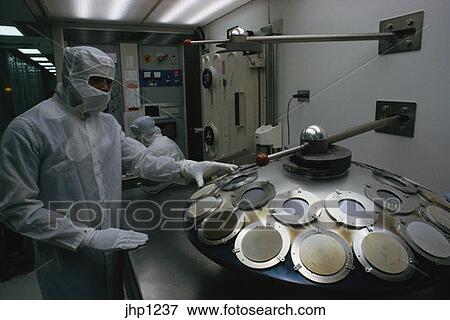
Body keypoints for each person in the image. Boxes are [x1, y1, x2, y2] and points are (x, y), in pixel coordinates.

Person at [0, 46, 236, 299]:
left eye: (108, 82)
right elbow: (17, 208)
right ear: (70, 77)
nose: (103, 89)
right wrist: (86, 237)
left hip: (113, 246)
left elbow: (142, 160)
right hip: (66, 258)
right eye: (96, 80)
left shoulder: (107, 124)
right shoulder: (29, 129)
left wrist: (185, 167)